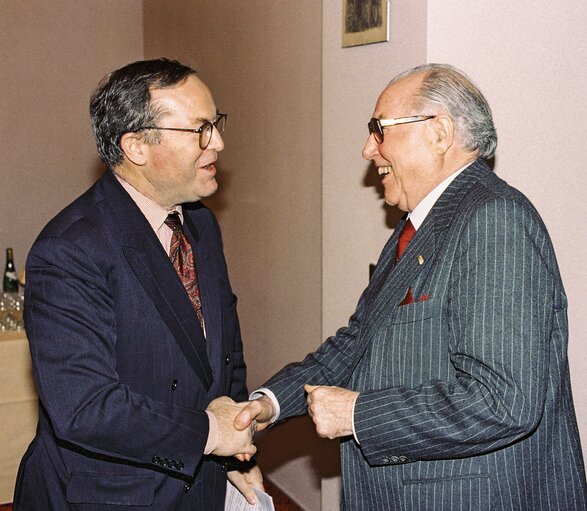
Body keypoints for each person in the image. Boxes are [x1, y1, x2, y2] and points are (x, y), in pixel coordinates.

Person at [236, 64, 587, 510]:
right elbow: (356, 344)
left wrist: (357, 414)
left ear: (439, 132)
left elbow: (503, 402)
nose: (368, 150)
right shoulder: (418, 227)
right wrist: (266, 405)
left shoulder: (494, 220)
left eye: (379, 130)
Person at [14, 58, 262, 510]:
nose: (219, 143)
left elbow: (224, 351)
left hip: (198, 486)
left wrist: (237, 442)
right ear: (136, 146)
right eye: (200, 129)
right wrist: (212, 433)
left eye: (217, 124)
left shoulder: (201, 225)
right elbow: (85, 408)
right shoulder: (70, 249)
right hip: (113, 495)